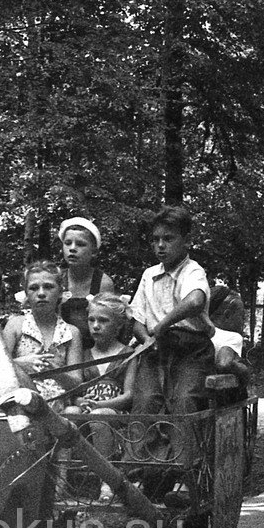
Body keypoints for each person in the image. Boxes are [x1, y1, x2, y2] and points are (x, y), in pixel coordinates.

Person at [129, 206, 215, 416]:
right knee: (144, 402)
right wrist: (147, 340)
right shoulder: (149, 275)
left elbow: (195, 301)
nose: (160, 245)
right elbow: (137, 320)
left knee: (185, 402)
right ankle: (139, 450)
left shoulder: (192, 271)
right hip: (156, 350)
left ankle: (186, 449)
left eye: (168, 239)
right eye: (155, 239)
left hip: (192, 351)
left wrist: (162, 325)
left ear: (186, 241)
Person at [62, 293, 138, 504]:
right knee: (69, 414)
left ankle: (108, 480)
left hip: (113, 413)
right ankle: (63, 479)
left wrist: (100, 404)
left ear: (119, 324)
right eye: (92, 320)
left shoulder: (127, 353)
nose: (96, 326)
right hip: (86, 407)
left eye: (103, 321)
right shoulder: (84, 353)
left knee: (99, 415)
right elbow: (75, 391)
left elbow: (129, 395)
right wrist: (79, 402)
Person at [3, 260, 83, 409]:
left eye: (48, 287)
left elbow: (77, 383)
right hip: (22, 403)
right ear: (26, 293)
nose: (41, 293)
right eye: (33, 288)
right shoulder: (16, 325)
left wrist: (55, 372)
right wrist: (21, 364)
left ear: (60, 291)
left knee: (74, 411)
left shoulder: (71, 332)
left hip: (60, 408)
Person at [57, 217, 116, 349]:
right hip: (62, 346)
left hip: (93, 349)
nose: (72, 248)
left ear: (94, 251)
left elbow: (108, 326)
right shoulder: (57, 279)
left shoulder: (102, 282)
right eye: (68, 243)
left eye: (80, 244)